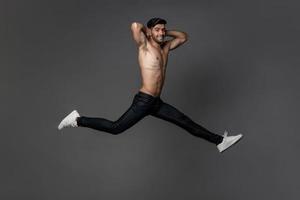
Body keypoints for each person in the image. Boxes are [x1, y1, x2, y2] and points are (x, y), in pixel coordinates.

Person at [58, 17, 243, 153]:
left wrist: (164, 32)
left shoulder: (166, 48)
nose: (162, 33)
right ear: (149, 32)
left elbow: (183, 37)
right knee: (116, 128)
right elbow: (135, 26)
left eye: (163, 30)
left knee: (184, 121)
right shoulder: (144, 46)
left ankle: (220, 141)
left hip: (156, 103)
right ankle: (77, 120)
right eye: (158, 30)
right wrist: (149, 31)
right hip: (143, 101)